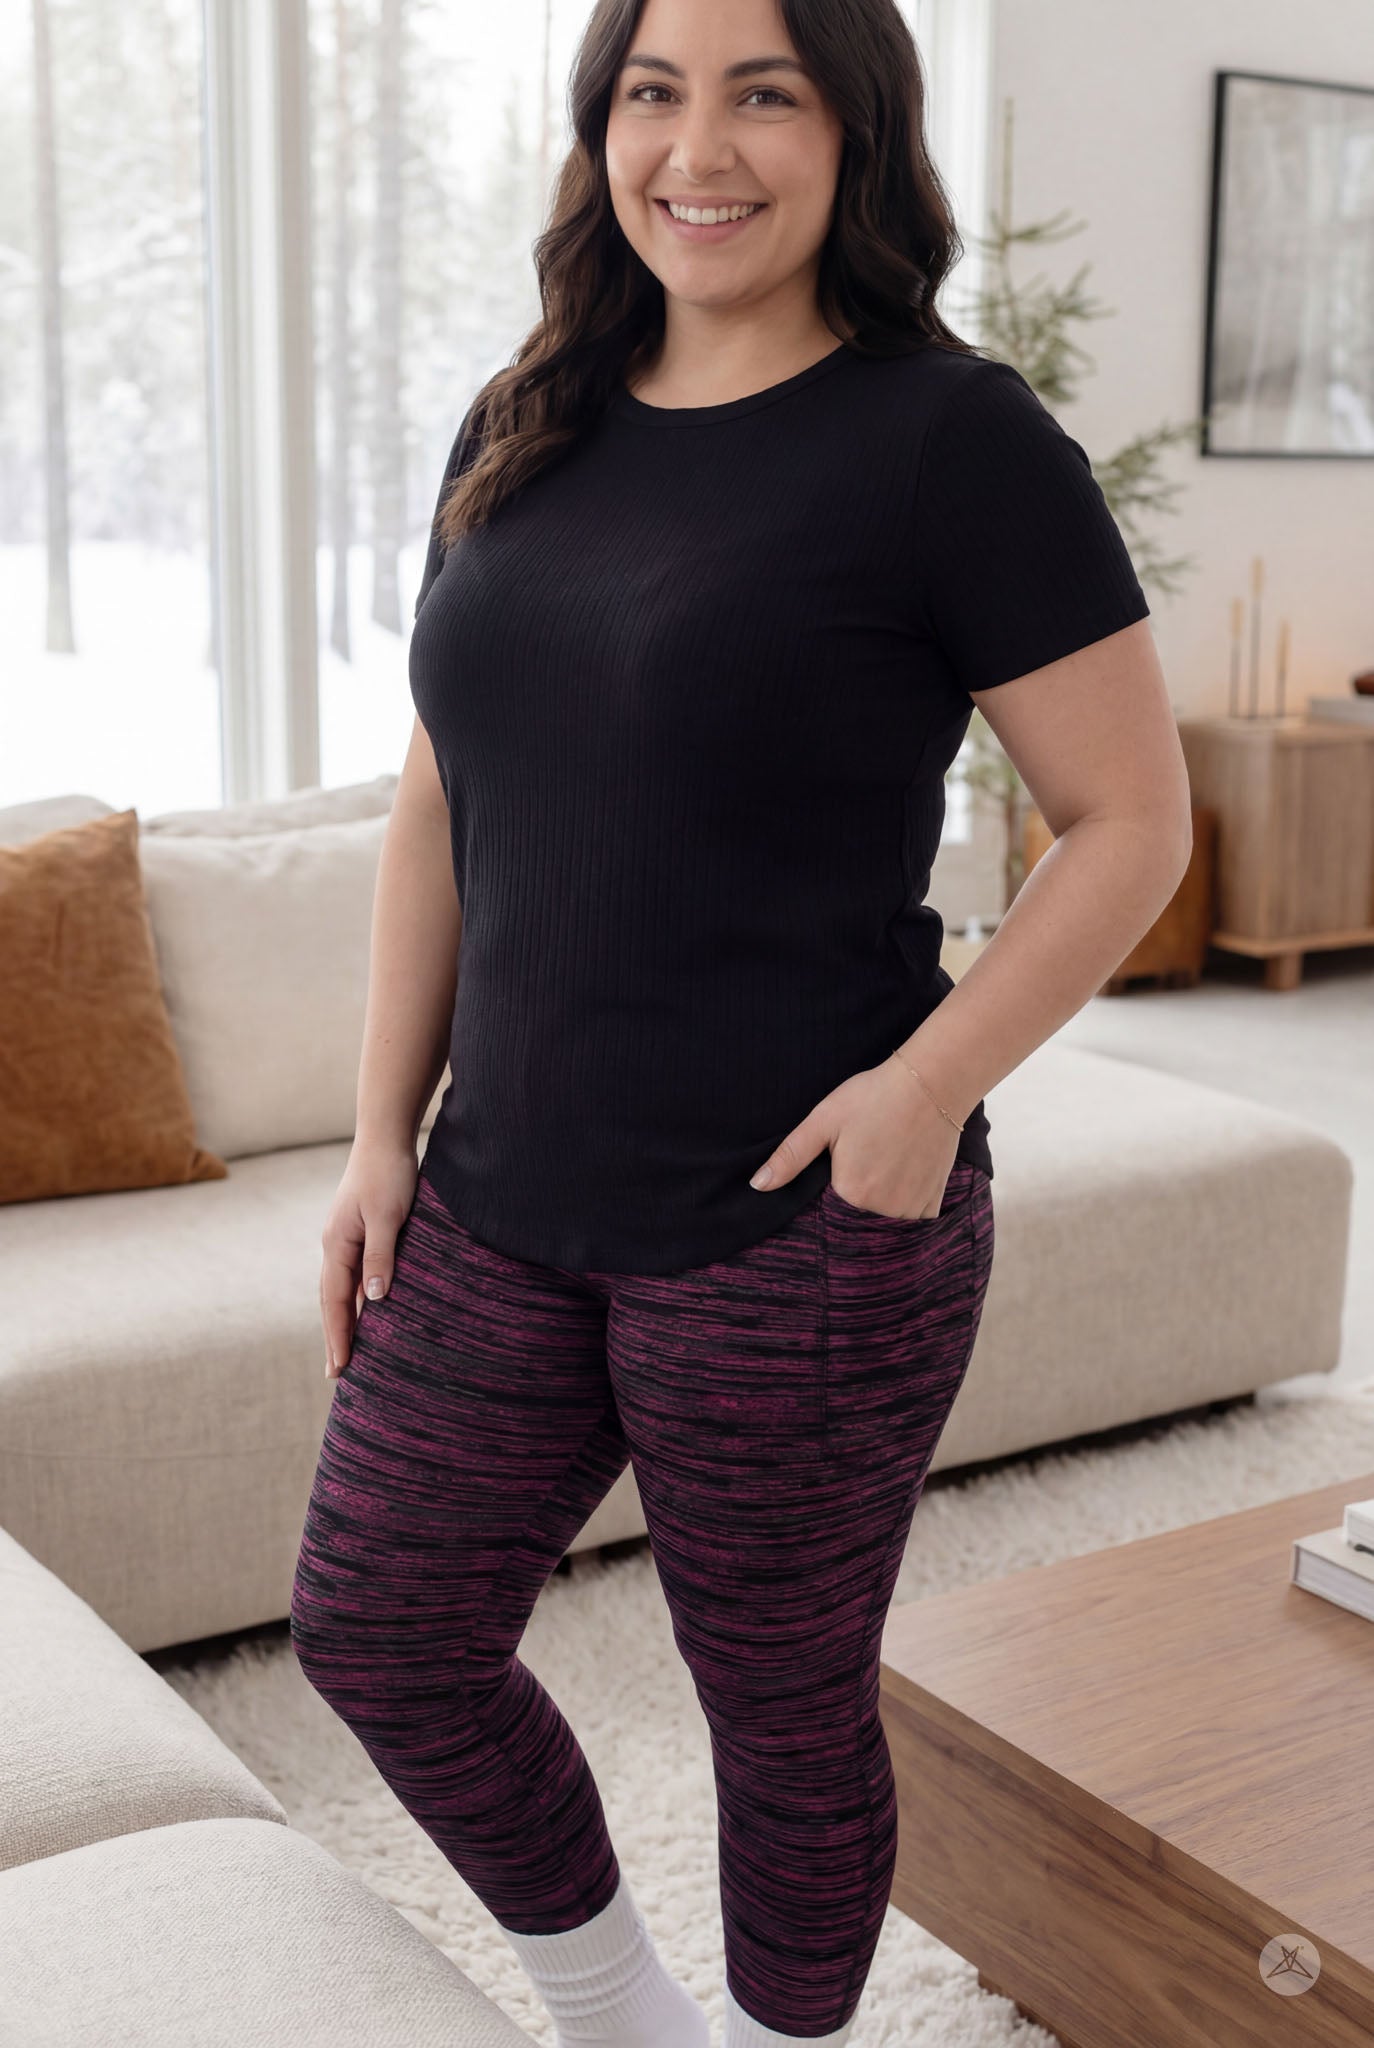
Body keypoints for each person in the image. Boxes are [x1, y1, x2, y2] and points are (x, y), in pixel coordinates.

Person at [290, 0, 1192, 2043]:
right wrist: (375, 1135)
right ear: (600, 127)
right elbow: (442, 789)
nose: (699, 147)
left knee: (776, 1713)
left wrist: (924, 1092)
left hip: (801, 1221)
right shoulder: (534, 404)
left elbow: (1132, 823)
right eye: (653, 92)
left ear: (857, 131)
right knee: (378, 1623)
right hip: (499, 1196)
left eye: (764, 93)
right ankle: (627, 2015)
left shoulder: (955, 443)